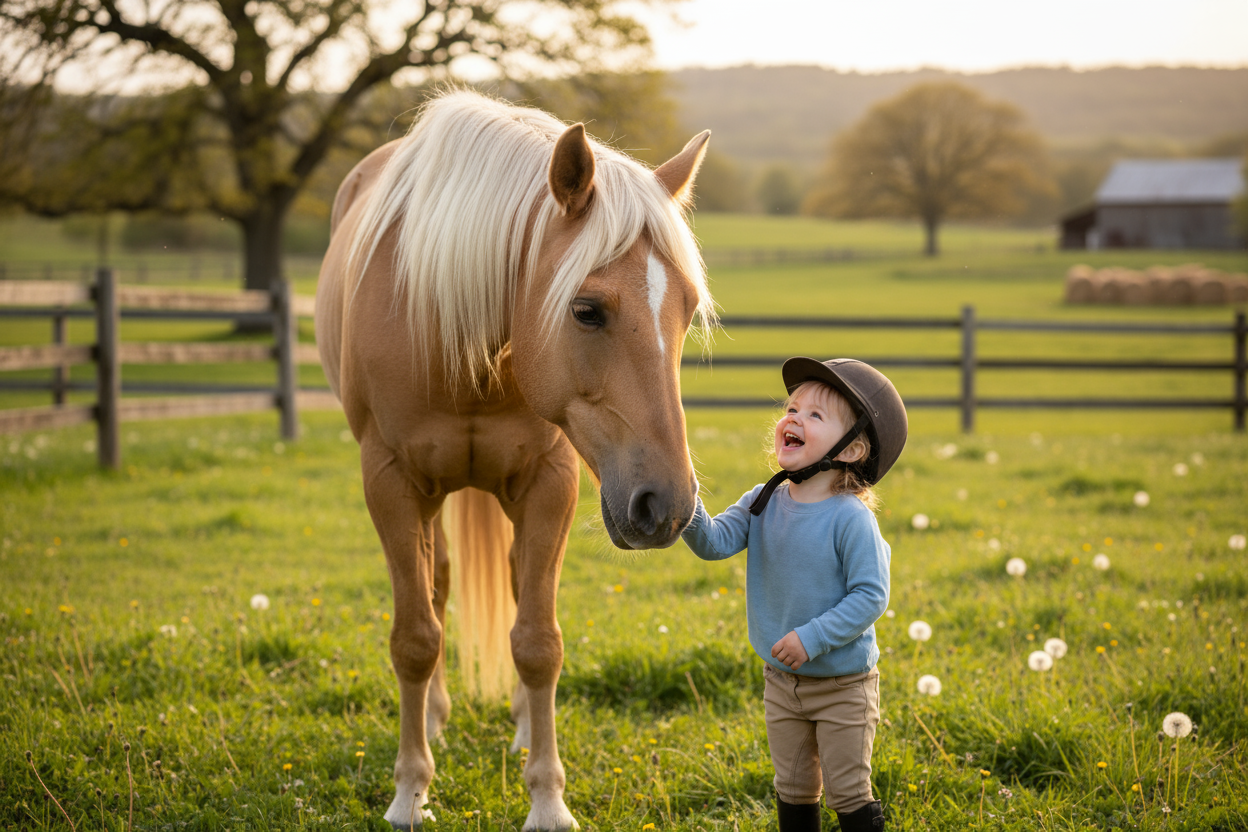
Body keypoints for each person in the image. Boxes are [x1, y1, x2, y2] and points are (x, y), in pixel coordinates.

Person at [681, 357, 908, 832]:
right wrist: (685, 501)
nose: (793, 418)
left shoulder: (850, 518)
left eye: (815, 415)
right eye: (791, 408)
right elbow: (714, 542)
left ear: (850, 450)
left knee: (848, 792)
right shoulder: (761, 501)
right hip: (781, 685)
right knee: (794, 790)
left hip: (844, 687)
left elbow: (871, 595)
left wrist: (812, 638)